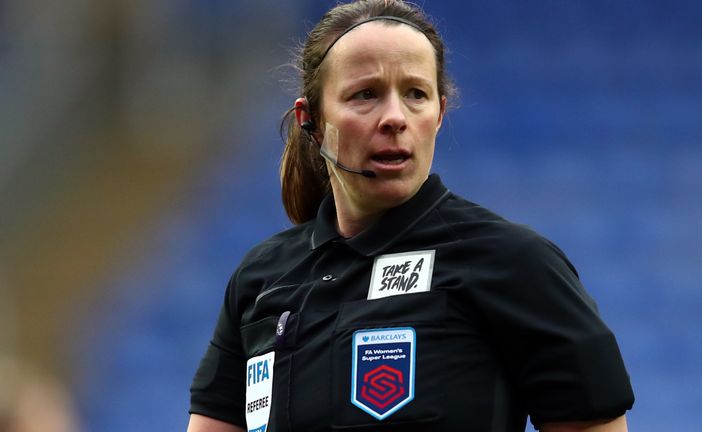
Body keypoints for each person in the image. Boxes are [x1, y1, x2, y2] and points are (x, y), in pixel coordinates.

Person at [187, 1, 635, 431]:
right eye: (366, 94)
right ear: (313, 119)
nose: (395, 118)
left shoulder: (515, 262)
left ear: (439, 113)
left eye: (416, 94)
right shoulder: (261, 278)